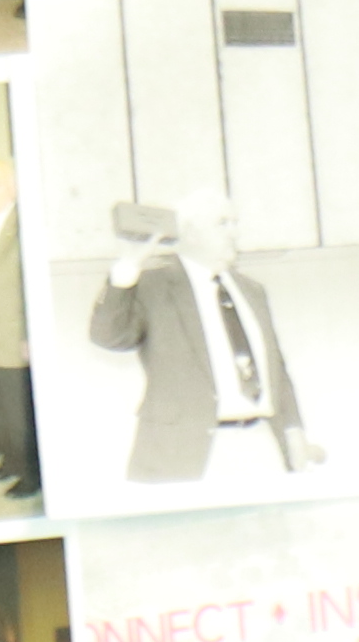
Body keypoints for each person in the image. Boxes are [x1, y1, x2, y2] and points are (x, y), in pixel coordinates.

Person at [89, 196, 317, 490]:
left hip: (261, 446)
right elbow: (109, 336)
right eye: (223, 223)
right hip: (187, 455)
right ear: (190, 232)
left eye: (235, 223)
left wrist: (293, 428)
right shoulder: (153, 285)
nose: (234, 232)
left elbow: (276, 369)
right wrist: (127, 266)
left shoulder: (252, 291)